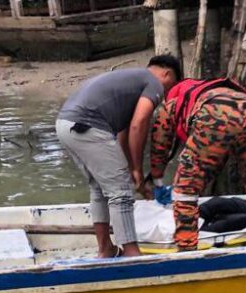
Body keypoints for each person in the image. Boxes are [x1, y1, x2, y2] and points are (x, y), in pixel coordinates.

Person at [55, 55, 181, 258]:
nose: (166, 94)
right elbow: (139, 124)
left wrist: (133, 172)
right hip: (88, 125)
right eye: (171, 86)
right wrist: (137, 171)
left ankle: (106, 249)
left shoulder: (131, 82)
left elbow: (123, 134)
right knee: (120, 192)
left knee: (99, 188)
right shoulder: (153, 82)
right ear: (167, 74)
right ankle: (132, 253)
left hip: (66, 124)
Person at [149, 77, 246, 250]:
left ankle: (187, 250)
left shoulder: (172, 103)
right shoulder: (215, 89)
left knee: (185, 187)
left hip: (215, 114)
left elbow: (159, 145)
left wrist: (157, 180)